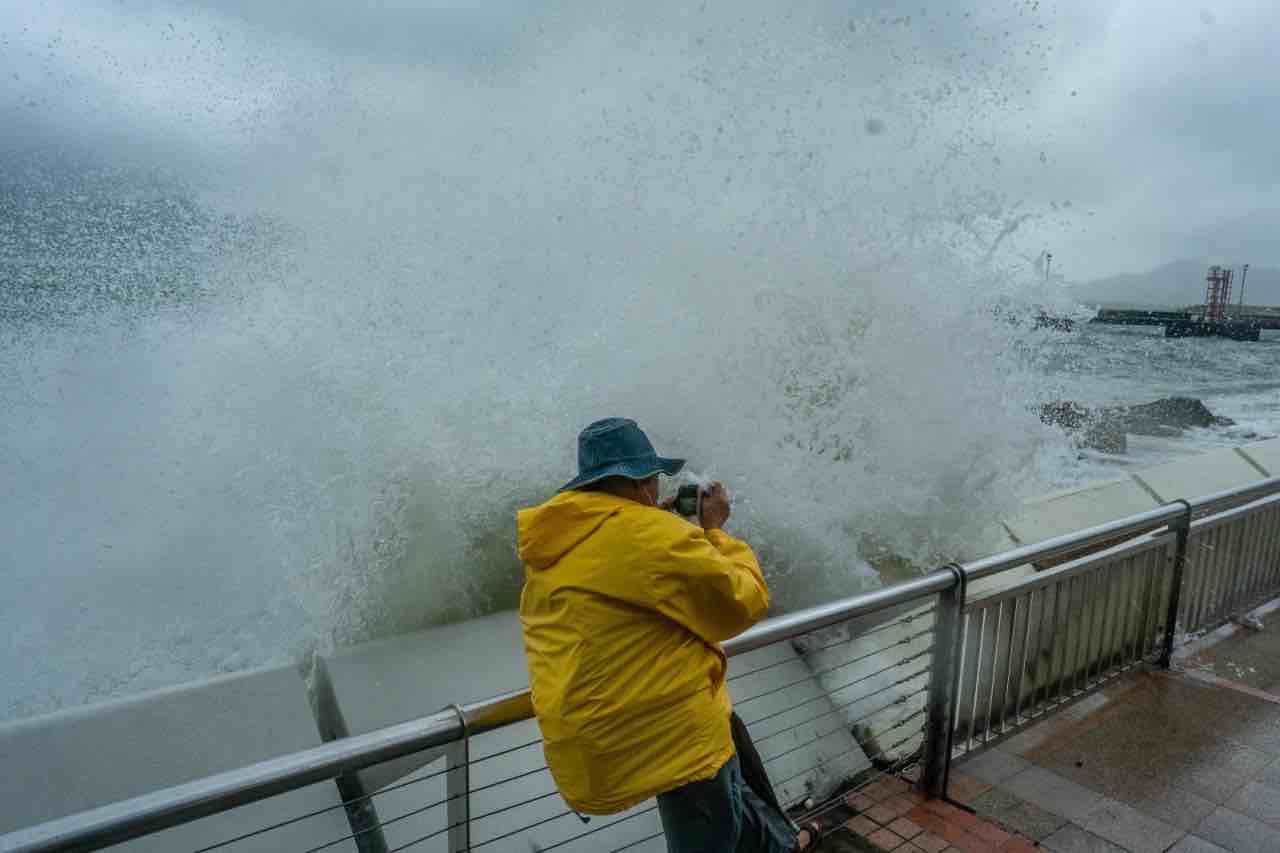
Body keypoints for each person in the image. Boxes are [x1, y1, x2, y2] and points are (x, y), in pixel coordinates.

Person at [517, 418, 819, 853]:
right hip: (668, 733)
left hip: (595, 735)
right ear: (641, 482)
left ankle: (784, 843)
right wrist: (715, 530)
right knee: (710, 827)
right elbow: (743, 601)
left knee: (728, 782)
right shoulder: (653, 536)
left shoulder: (559, 542)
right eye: (654, 478)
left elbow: (624, 570)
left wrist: (662, 522)